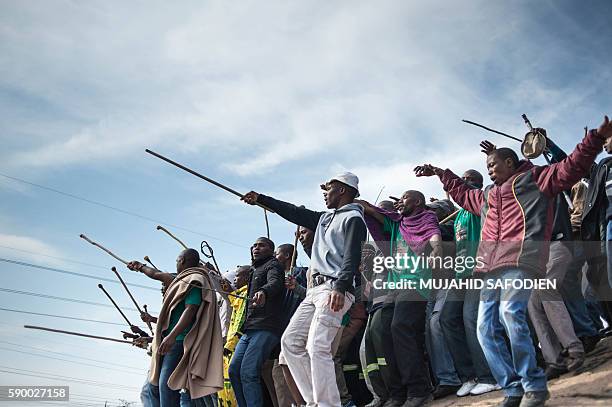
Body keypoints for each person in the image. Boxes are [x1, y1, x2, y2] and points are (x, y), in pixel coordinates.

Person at [414, 115, 610, 407]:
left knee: (511, 315)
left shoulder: (535, 180)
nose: (489, 170)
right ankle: (513, 387)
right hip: (489, 269)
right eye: (487, 166)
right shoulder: (488, 196)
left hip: (523, 261)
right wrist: (441, 173)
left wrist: (594, 138)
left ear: (510, 162)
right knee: (484, 329)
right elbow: (462, 193)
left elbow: (571, 167)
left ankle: (535, 382)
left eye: (494, 164)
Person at [242, 172, 367, 407]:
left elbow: (352, 256)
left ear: (342, 190)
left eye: (329, 189)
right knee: (290, 343)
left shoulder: (353, 219)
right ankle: (316, 402)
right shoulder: (323, 219)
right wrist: (261, 199)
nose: (325, 194)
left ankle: (328, 404)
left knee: (318, 346)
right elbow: (293, 211)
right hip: (314, 291)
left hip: (334, 287)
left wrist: (340, 287)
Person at [358, 190, 442, 407]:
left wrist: (436, 249)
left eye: (405, 198)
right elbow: (368, 208)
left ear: (418, 202)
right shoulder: (397, 224)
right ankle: (397, 393)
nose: (400, 201)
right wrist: (345, 193)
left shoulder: (426, 218)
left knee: (400, 327)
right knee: (383, 332)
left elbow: (433, 233)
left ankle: (418, 389)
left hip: (416, 283)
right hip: (396, 285)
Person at [129, 249, 224, 407]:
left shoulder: (194, 281)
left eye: (177, 260)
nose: (176, 263)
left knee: (167, 385)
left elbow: (190, 310)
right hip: (169, 341)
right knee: (156, 385)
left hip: (179, 341)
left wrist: (172, 336)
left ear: (182, 261)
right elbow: (156, 274)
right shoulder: (180, 280)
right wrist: (140, 266)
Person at [438, 170, 499, 397]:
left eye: (470, 179)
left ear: (478, 184)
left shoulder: (480, 203)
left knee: (470, 318)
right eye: (463, 179)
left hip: (478, 271)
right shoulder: (459, 215)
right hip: (460, 275)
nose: (465, 182)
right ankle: (469, 376)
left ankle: (489, 376)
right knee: (447, 319)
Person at [228, 237, 285, 407]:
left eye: (262, 245)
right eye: (254, 245)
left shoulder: (273, 265)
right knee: (233, 371)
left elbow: (275, 282)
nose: (256, 248)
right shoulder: (254, 269)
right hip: (250, 329)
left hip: (266, 327)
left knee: (248, 372)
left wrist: (263, 291)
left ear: (271, 250)